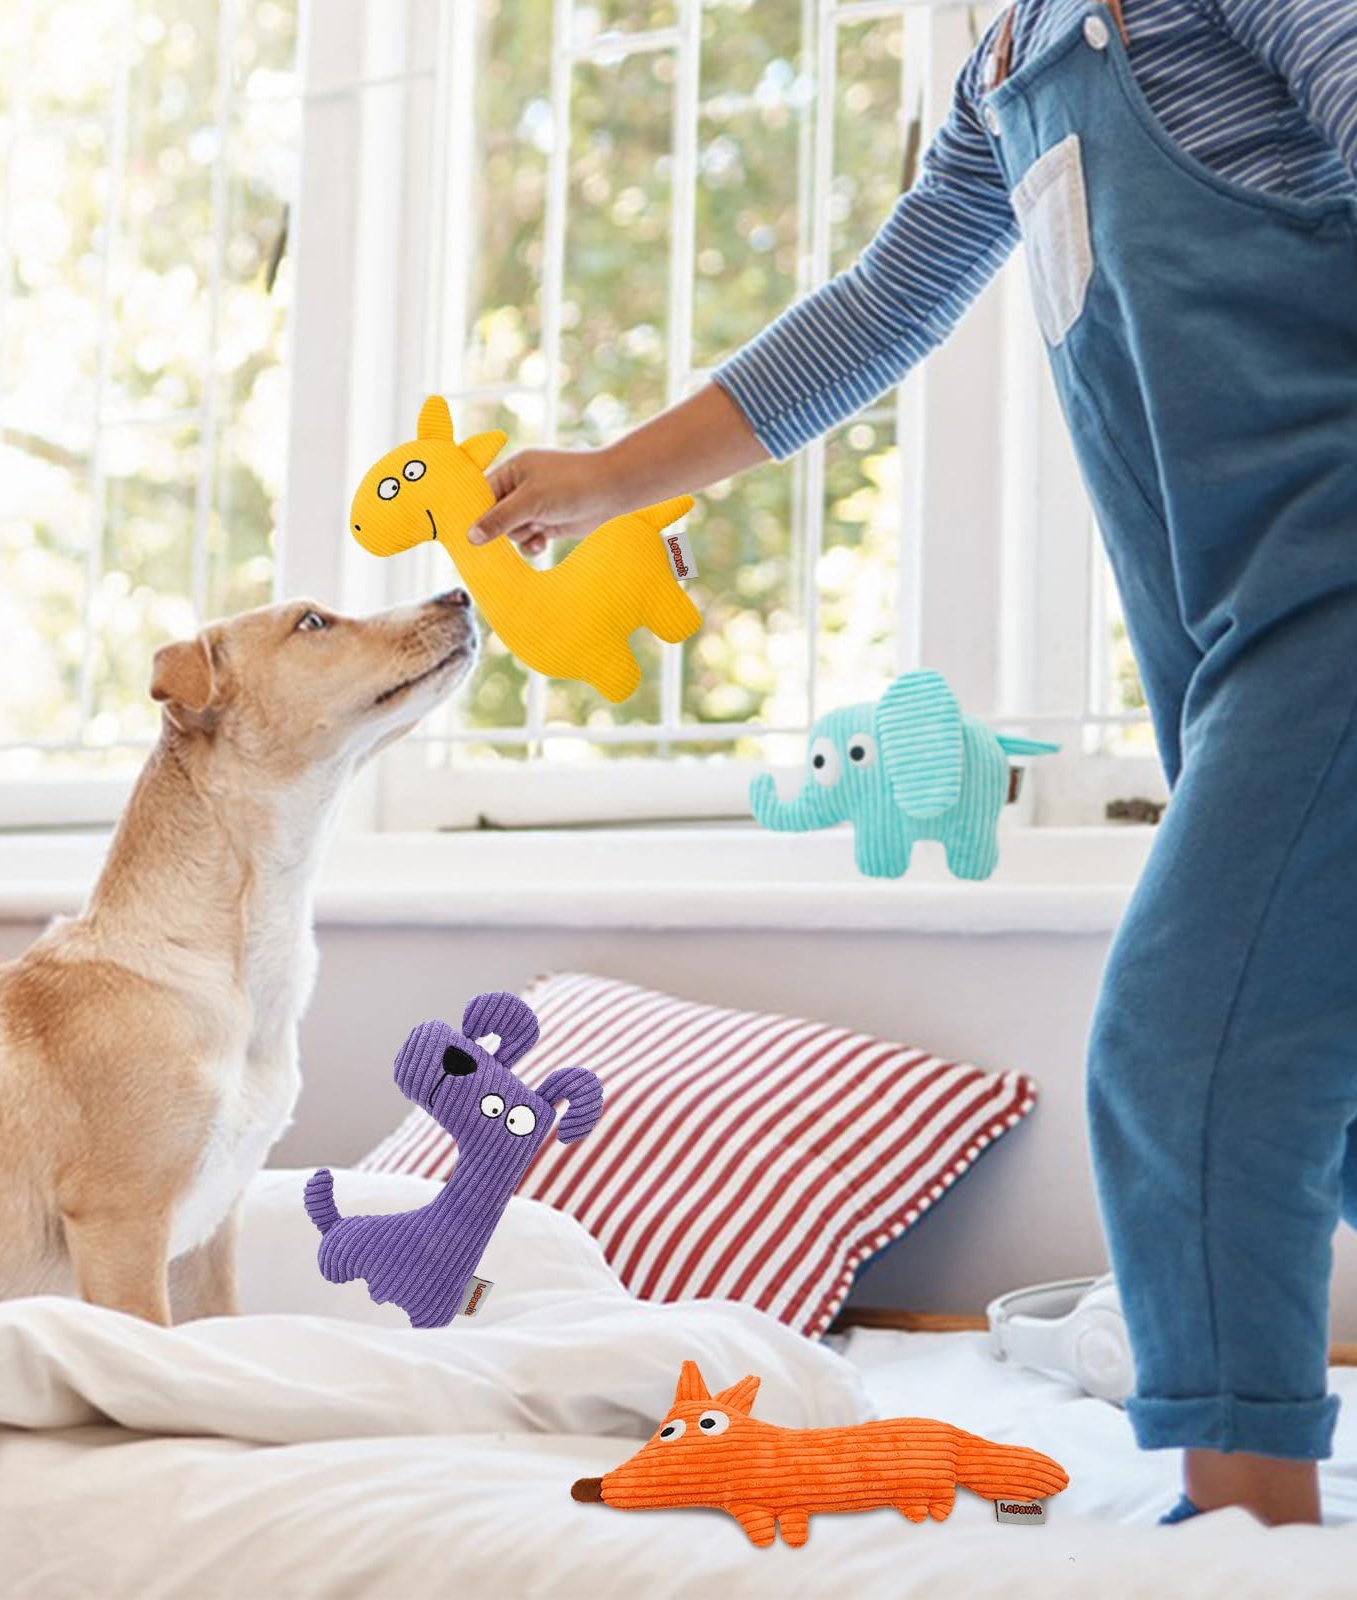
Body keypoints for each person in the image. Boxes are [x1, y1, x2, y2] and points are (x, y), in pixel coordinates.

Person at [468, 0, 1357, 1528]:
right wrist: (617, 479)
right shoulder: (1003, 82)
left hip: (1336, 592)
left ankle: (1250, 1526)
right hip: (1231, 642)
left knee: (1184, 1057)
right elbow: (878, 312)